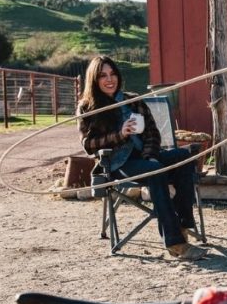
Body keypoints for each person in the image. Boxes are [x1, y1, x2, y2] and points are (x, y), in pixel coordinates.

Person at [77, 55, 207, 260]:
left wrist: (150, 156)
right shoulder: (88, 107)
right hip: (119, 162)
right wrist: (119, 135)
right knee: (155, 173)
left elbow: (153, 133)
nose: (109, 79)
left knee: (184, 158)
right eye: (103, 75)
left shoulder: (133, 99)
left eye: (112, 74)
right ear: (94, 79)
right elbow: (88, 145)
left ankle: (182, 225)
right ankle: (175, 244)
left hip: (146, 156)